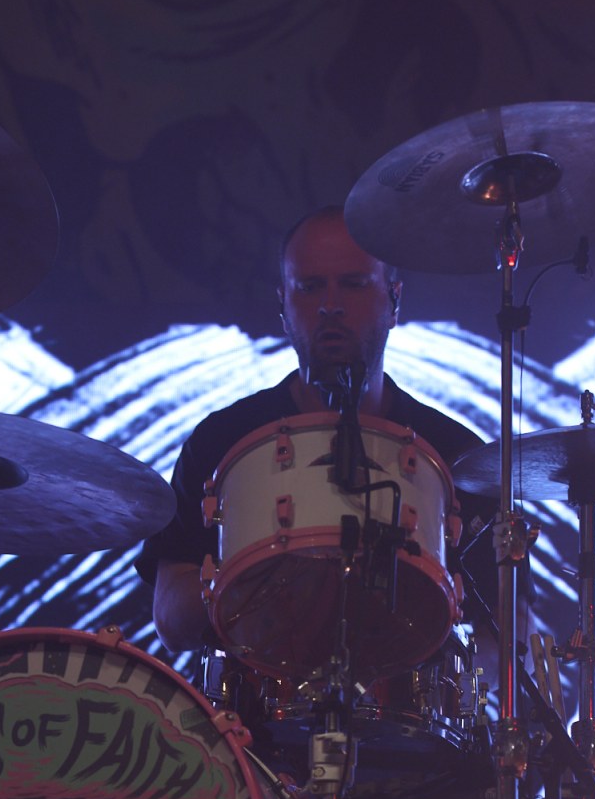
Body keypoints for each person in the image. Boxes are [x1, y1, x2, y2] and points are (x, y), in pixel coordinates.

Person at [137, 205, 502, 665]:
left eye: (353, 284)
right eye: (309, 287)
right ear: (283, 307)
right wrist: (261, 576)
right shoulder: (220, 441)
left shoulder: (457, 457)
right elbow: (171, 622)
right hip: (256, 707)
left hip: (411, 708)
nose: (331, 305)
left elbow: (507, 641)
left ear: (394, 301)